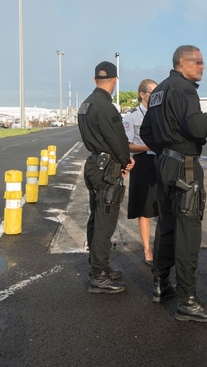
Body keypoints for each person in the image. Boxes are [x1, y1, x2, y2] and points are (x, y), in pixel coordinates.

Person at [140, 45, 207, 322]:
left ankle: (160, 283)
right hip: (185, 166)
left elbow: (146, 132)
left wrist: (165, 151)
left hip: (165, 164)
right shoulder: (185, 89)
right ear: (182, 63)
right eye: (197, 62)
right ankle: (188, 300)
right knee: (188, 231)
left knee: (166, 226)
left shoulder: (159, 91)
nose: (202, 67)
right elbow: (198, 126)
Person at [78, 61, 135, 294]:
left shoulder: (85, 104)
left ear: (94, 80)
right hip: (107, 169)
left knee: (96, 218)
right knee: (105, 222)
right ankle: (99, 276)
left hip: (93, 164)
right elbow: (117, 139)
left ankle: (97, 267)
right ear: (115, 80)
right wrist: (126, 161)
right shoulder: (106, 107)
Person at [123, 79, 159, 265]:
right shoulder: (132, 116)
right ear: (142, 94)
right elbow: (127, 145)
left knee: (162, 206)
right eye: (152, 93)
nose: (154, 96)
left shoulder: (162, 114)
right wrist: (149, 146)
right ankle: (147, 248)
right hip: (142, 162)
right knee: (144, 208)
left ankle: (161, 245)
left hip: (160, 161)